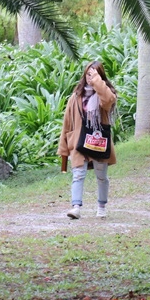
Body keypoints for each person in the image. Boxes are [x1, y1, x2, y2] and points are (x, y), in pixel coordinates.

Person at [57, 60, 118, 219]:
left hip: (99, 141)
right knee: (78, 174)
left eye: (94, 74)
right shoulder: (76, 97)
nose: (90, 77)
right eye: (88, 74)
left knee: (101, 176)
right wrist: (64, 148)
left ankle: (102, 206)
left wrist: (98, 81)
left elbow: (108, 100)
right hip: (79, 141)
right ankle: (76, 207)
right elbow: (67, 124)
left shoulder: (106, 93)